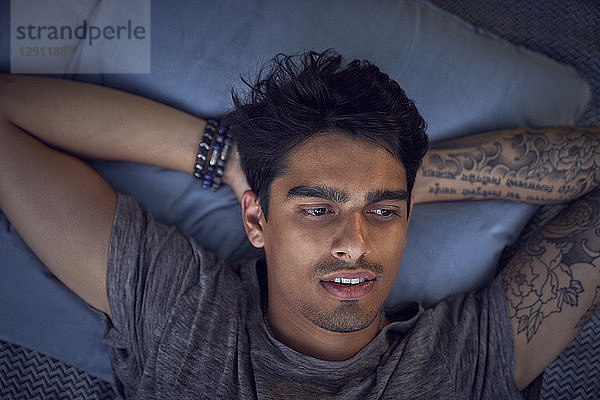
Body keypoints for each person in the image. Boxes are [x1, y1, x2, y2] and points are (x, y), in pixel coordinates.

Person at [0, 50, 599, 399]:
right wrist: (226, 158)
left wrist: (402, 178)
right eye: (318, 209)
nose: (355, 245)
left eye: (383, 213)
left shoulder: (463, 357)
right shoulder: (185, 310)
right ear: (256, 219)